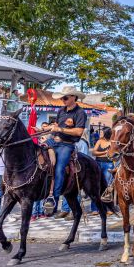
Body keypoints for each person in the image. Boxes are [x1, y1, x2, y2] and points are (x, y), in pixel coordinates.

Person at [42, 86, 87, 216]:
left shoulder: (80, 113)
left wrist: (61, 130)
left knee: (59, 168)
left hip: (66, 145)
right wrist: (45, 130)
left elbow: (79, 131)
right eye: (62, 97)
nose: (63, 99)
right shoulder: (61, 110)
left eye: (65, 97)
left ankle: (53, 199)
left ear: (74, 97)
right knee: (36, 157)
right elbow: (56, 126)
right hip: (53, 142)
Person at [90, 127, 113, 215]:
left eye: (102, 132)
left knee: (106, 186)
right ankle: (95, 208)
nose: (100, 134)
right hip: (98, 163)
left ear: (107, 133)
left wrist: (106, 153)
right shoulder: (99, 141)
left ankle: (107, 208)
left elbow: (112, 153)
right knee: (96, 185)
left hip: (109, 164)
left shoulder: (112, 142)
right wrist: (105, 153)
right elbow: (93, 152)